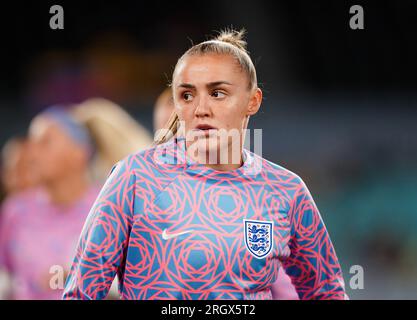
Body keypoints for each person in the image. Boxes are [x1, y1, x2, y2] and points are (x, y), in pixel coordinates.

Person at [63, 29, 347, 300]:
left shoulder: (286, 190)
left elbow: (327, 291)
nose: (201, 109)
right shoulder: (135, 178)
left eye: (217, 93)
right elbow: (82, 291)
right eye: (187, 95)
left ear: (253, 100)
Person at [0, 107, 99, 299]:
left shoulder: (109, 209)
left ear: (79, 153)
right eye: (32, 144)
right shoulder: (15, 211)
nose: (32, 154)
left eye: (45, 143)